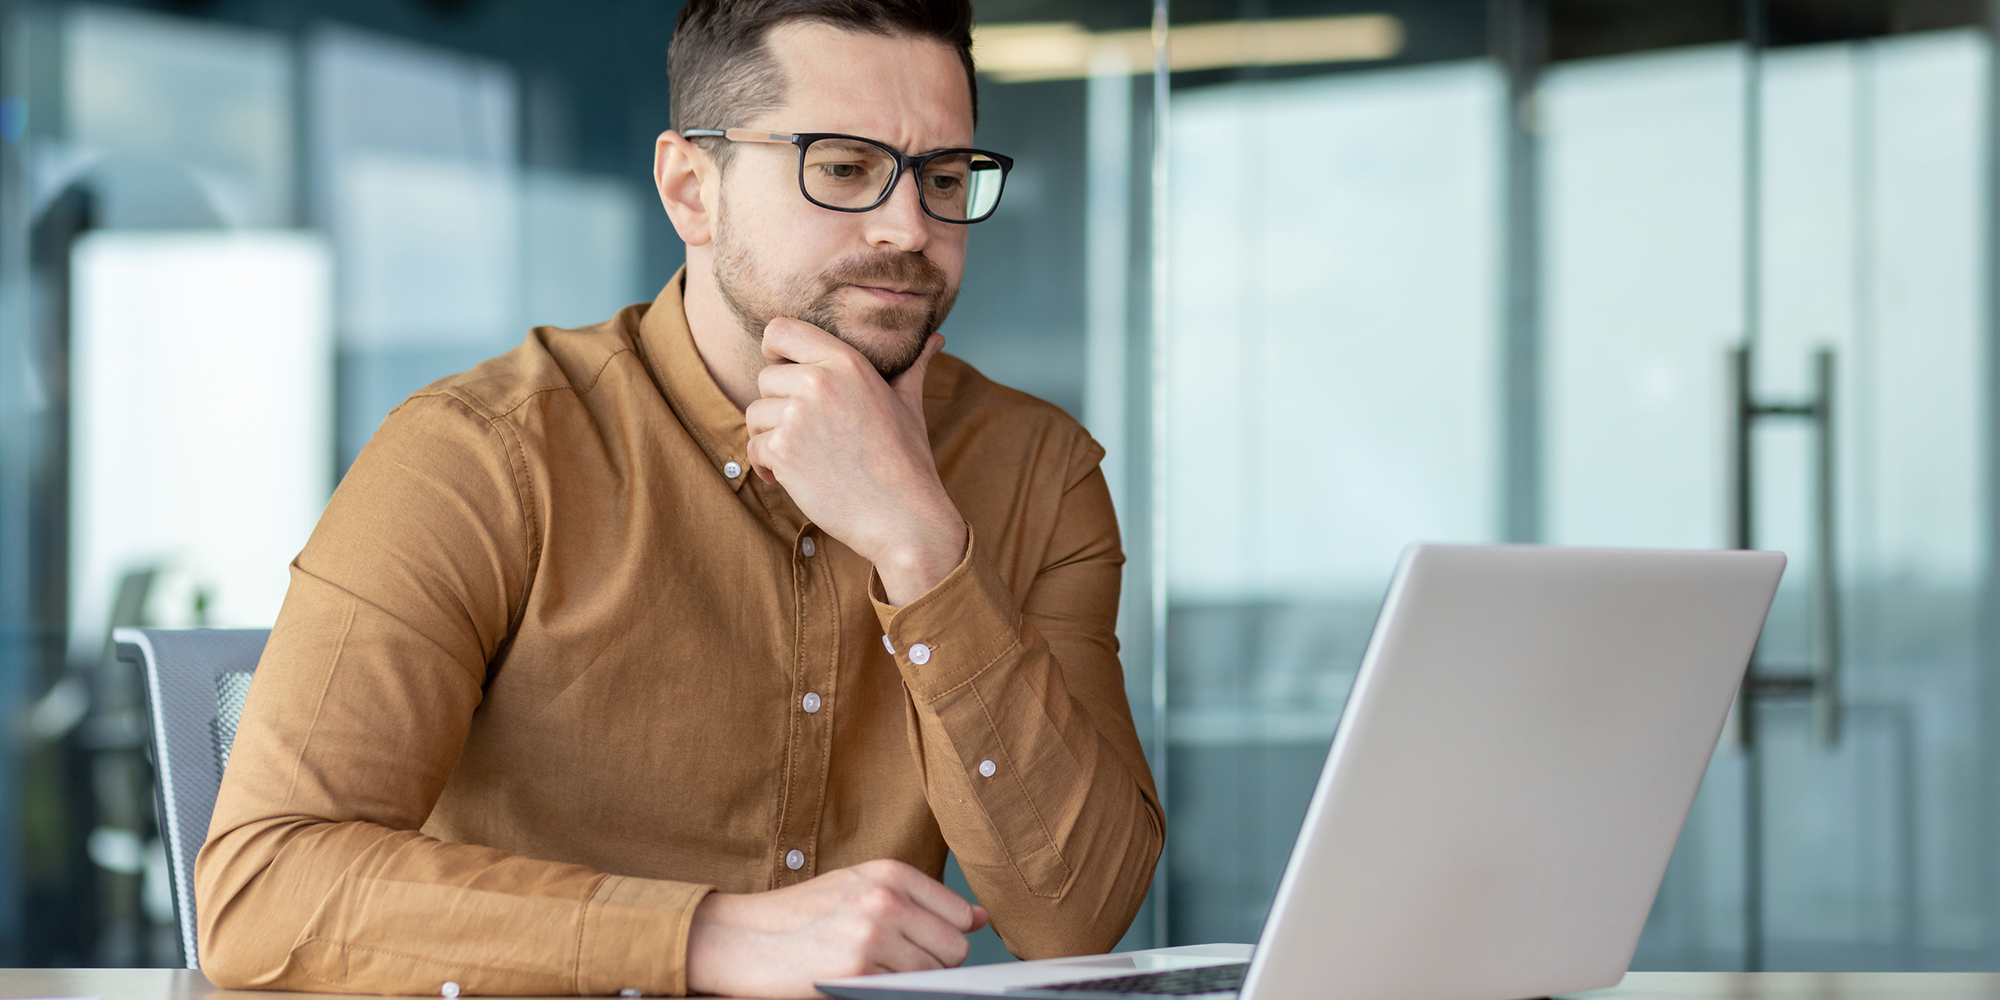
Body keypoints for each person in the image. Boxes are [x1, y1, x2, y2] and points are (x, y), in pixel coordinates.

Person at [193, 0, 1163, 996]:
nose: (907, 228)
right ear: (690, 189)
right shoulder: (480, 454)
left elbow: (1074, 918)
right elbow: (262, 892)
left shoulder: (1036, 470)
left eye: (944, 178)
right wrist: (709, 937)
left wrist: (920, 545)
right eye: (841, 167)